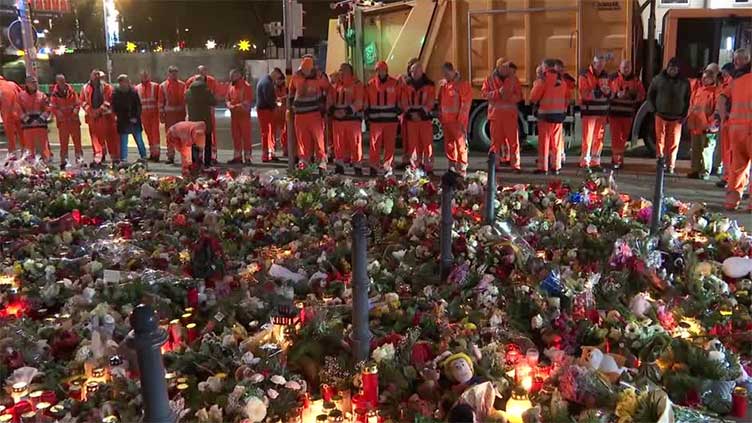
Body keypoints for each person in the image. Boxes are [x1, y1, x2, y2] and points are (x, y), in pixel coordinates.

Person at [646, 57, 691, 174]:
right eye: (671, 68)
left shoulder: (684, 82)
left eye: (675, 69)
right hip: (660, 115)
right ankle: (660, 163)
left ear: (678, 70)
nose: (673, 71)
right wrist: (653, 110)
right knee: (660, 141)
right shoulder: (658, 80)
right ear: (667, 68)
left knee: (674, 143)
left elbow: (688, 99)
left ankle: (671, 165)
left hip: (677, 118)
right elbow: (650, 95)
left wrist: (685, 114)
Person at [720, 48, 752, 210]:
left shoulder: (735, 80)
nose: (735, 63)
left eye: (737, 60)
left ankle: (731, 202)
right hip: (749, 129)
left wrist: (724, 117)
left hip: (735, 130)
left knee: (737, 167)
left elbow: (722, 97)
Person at [530, 59, 571, 175]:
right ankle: (556, 166)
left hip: (545, 116)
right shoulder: (562, 81)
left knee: (544, 143)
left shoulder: (542, 81)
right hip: (558, 117)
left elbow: (533, 97)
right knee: (556, 143)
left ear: (546, 67)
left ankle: (543, 167)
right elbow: (567, 96)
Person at [288, 57, 330, 172]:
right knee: (302, 141)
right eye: (304, 69)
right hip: (300, 115)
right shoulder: (296, 77)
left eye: (307, 69)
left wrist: (326, 107)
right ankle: (304, 162)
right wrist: (291, 108)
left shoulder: (319, 76)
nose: (305, 71)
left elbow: (328, 90)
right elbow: (291, 93)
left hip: (315, 114)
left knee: (318, 140)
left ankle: (321, 162)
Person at [481, 58, 522, 172]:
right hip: (496, 117)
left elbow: (519, 96)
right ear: (498, 67)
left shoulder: (514, 79)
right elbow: (484, 94)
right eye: (504, 67)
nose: (506, 70)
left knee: (513, 142)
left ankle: (516, 165)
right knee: (495, 143)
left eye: (507, 67)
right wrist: (498, 93)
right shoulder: (489, 80)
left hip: (510, 117)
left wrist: (509, 98)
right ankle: (495, 165)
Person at [365, 60, 401, 177]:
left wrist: (399, 113)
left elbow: (400, 100)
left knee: (389, 145)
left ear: (386, 71)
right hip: (376, 121)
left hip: (390, 120)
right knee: (375, 144)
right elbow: (367, 102)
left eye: (382, 70)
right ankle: (374, 165)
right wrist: (367, 116)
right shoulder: (370, 85)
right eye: (378, 70)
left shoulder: (395, 83)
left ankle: (387, 165)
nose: (380, 72)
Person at [328, 63, 365, 175]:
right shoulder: (335, 85)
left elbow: (359, 102)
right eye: (340, 70)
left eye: (343, 70)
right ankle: (339, 164)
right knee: (338, 144)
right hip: (338, 120)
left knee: (355, 143)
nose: (341, 72)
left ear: (350, 72)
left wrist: (346, 111)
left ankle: (357, 165)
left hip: (352, 119)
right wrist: (333, 110)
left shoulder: (357, 84)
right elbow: (330, 100)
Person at [609, 59, 645, 169]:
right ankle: (616, 161)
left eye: (628, 67)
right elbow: (606, 93)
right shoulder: (612, 78)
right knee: (616, 139)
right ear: (620, 67)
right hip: (614, 114)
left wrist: (633, 95)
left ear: (631, 68)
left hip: (628, 114)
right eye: (624, 67)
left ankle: (619, 159)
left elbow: (642, 95)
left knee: (623, 138)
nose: (626, 69)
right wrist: (616, 95)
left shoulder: (635, 81)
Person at [438, 62, 472, 176]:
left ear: (452, 71)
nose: (445, 76)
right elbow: (441, 103)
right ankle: (452, 167)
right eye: (443, 74)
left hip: (457, 122)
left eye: (446, 73)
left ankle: (462, 169)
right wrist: (441, 118)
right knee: (450, 145)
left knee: (461, 145)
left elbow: (466, 104)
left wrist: (461, 121)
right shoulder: (444, 86)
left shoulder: (462, 85)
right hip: (447, 121)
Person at [401, 62, 436, 174]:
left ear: (422, 71)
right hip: (412, 120)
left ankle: (428, 167)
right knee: (413, 145)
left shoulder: (430, 85)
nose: (414, 73)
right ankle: (415, 167)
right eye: (412, 71)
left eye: (416, 71)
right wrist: (411, 113)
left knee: (427, 144)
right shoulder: (406, 85)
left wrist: (419, 113)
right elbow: (404, 101)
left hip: (424, 119)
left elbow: (430, 102)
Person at [578, 55, 611, 171]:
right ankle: (585, 162)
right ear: (594, 63)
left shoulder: (606, 75)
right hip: (589, 112)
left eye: (602, 65)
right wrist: (600, 92)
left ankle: (595, 162)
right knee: (587, 139)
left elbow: (610, 92)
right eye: (598, 64)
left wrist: (607, 92)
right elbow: (584, 93)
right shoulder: (584, 75)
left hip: (601, 112)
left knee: (599, 139)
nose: (600, 67)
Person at [686, 70, 719, 180]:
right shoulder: (698, 90)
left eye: (707, 78)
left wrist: (711, 124)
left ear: (713, 79)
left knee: (706, 150)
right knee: (695, 149)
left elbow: (716, 110)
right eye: (703, 78)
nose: (704, 80)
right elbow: (692, 106)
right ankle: (695, 170)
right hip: (696, 126)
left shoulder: (715, 92)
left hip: (707, 128)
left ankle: (705, 171)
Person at [81, 69, 119, 165]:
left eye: (98, 75)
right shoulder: (85, 88)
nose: (97, 77)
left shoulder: (107, 87)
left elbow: (108, 100)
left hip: (106, 117)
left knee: (111, 138)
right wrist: (91, 111)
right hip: (93, 118)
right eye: (95, 75)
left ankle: (115, 159)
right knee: (96, 139)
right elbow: (82, 101)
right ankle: (99, 157)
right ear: (91, 76)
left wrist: (98, 111)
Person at [186, 65, 219, 164]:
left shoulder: (188, 92)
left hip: (193, 121)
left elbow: (185, 101)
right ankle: (207, 161)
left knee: (195, 141)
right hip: (205, 120)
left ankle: (195, 161)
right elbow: (214, 101)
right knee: (207, 141)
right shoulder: (206, 90)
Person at [112, 74, 147, 163]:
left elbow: (138, 106)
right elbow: (115, 107)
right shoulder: (116, 93)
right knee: (123, 141)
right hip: (123, 121)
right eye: (122, 82)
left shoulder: (133, 92)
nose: (125, 83)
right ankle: (123, 159)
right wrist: (123, 117)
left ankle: (143, 157)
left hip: (134, 120)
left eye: (126, 81)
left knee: (139, 140)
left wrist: (136, 117)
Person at [49, 74, 82, 168]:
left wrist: (75, 113)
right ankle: (64, 161)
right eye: (60, 81)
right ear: (57, 82)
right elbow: (53, 107)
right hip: (63, 122)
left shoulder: (71, 91)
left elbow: (77, 104)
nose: (62, 82)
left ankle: (79, 159)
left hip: (73, 121)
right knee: (64, 143)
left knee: (77, 142)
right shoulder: (54, 94)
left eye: (63, 80)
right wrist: (60, 115)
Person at [15, 76, 51, 161]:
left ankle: (44, 167)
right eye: (32, 82)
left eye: (35, 82)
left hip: (40, 126)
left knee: (43, 148)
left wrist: (40, 119)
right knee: (29, 149)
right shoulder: (20, 96)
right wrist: (29, 120)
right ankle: (31, 169)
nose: (35, 84)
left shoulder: (42, 95)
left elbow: (48, 109)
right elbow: (18, 110)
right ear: (27, 84)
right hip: (27, 127)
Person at [158, 66, 186, 164]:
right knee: (170, 136)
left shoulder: (182, 85)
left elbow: (185, 100)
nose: (174, 74)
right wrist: (161, 115)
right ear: (168, 73)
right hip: (169, 115)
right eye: (172, 72)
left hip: (180, 115)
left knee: (182, 136)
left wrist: (186, 114)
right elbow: (161, 102)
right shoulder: (163, 86)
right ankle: (170, 156)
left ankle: (184, 156)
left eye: (175, 72)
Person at [226, 69, 254, 164]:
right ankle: (237, 157)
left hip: (244, 116)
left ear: (238, 76)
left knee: (246, 137)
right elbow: (227, 98)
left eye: (232, 76)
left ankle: (247, 157)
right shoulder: (231, 86)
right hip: (234, 116)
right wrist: (229, 105)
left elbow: (247, 102)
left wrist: (234, 107)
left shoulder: (246, 87)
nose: (231, 78)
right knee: (236, 136)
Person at [256, 68, 284, 162]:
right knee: (267, 132)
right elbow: (268, 97)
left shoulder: (265, 80)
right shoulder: (267, 83)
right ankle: (267, 154)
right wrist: (275, 105)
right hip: (265, 110)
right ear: (275, 73)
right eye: (277, 76)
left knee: (269, 132)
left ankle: (270, 152)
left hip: (265, 109)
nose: (277, 79)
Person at [135, 70, 161, 161]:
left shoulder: (155, 86)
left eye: (146, 75)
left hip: (154, 114)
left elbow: (159, 100)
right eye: (143, 76)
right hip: (144, 115)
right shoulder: (137, 88)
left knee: (155, 135)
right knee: (149, 135)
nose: (144, 77)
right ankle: (152, 153)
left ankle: (156, 154)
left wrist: (161, 113)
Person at [399, 57, 420, 169]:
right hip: (406, 114)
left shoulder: (417, 82)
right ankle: (406, 159)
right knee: (406, 139)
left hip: (411, 114)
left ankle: (413, 160)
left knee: (414, 140)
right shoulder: (405, 81)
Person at [0, 76, 22, 154]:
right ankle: (26, 155)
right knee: (22, 135)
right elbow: (22, 95)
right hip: (19, 113)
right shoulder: (12, 84)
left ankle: (13, 156)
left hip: (8, 115)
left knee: (11, 138)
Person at [274, 69, 289, 157]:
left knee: (285, 131)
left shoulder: (286, 87)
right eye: (278, 79)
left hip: (283, 111)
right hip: (276, 112)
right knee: (274, 131)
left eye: (280, 79)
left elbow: (288, 96)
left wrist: (282, 98)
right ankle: (273, 148)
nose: (279, 81)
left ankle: (285, 148)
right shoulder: (273, 87)